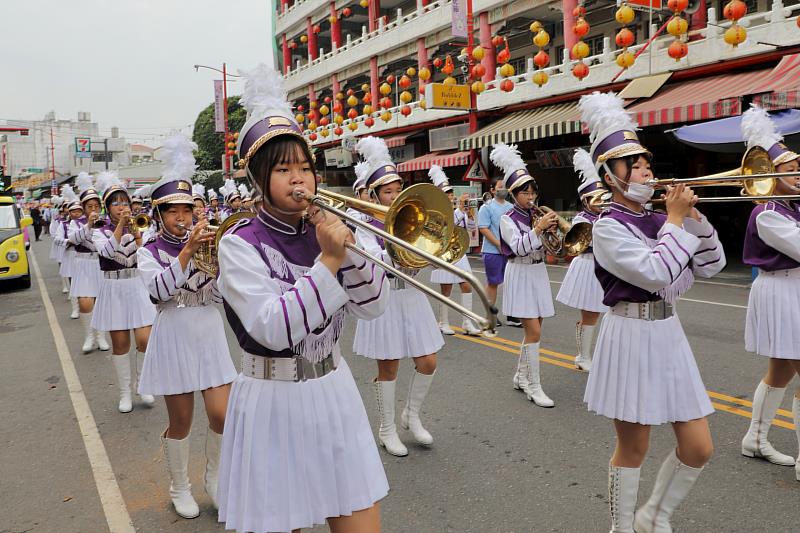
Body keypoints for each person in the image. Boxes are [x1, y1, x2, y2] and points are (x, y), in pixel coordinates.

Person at [215, 63, 390, 533]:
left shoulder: (331, 227)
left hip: (333, 390)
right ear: (258, 178)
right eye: (284, 169)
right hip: (271, 399)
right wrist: (329, 261)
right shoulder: (239, 242)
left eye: (305, 168)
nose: (300, 180)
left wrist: (348, 249)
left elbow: (373, 306)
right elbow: (273, 329)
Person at [579, 92, 726, 533]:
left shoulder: (662, 220)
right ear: (611, 175)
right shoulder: (606, 226)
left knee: (699, 447)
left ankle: (654, 515)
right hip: (630, 335)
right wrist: (676, 222)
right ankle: (622, 527)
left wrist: (694, 219)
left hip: (668, 334)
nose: (645, 170)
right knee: (634, 447)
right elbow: (656, 272)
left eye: (646, 163)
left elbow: (711, 266)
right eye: (633, 164)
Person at [136, 134, 237, 519]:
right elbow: (158, 294)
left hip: (208, 331)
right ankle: (180, 486)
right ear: (159, 214)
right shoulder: (150, 252)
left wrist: (222, 266)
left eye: (186, 210)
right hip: (174, 332)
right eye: (173, 212)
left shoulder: (207, 243)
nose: (182, 218)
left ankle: (215, 477)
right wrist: (188, 253)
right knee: (180, 421)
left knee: (223, 414)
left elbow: (219, 298)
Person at [352, 135, 444, 458]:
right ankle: (387, 427)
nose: (393, 196)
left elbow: (423, 260)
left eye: (396, 190)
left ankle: (412, 414)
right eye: (387, 192)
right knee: (388, 366)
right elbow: (374, 263)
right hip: (385, 298)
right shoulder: (363, 226)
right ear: (375, 194)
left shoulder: (411, 219)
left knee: (428, 361)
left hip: (413, 296)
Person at [738, 104, 800, 478]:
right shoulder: (767, 212)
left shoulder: (793, 207)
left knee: (779, 371)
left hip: (794, 290)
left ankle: (755, 439)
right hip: (781, 290)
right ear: (770, 176)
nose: (799, 175)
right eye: (791, 170)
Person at [491, 143, 557, 407]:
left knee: (536, 328)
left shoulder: (536, 215)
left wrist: (552, 231)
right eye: (524, 192)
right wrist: (539, 229)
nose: (530, 196)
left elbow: (553, 249)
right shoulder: (507, 218)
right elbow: (518, 247)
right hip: (520, 270)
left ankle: (520, 375)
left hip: (538, 271)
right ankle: (533, 385)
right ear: (513, 194)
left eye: (532, 191)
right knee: (534, 332)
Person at [93, 171, 157, 413]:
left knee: (144, 339)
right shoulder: (99, 230)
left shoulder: (142, 226)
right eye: (116, 203)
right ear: (108, 208)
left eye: (124, 202)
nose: (121, 207)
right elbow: (108, 253)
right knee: (120, 345)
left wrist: (138, 233)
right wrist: (120, 227)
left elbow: (147, 254)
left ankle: (143, 384)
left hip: (136, 285)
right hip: (113, 288)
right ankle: (124, 393)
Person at [555, 149, 609, 371]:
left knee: (599, 313)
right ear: (585, 200)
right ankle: (583, 356)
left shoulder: (606, 216)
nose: (601, 202)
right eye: (595, 199)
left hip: (604, 268)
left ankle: (588, 354)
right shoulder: (581, 218)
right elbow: (584, 243)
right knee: (590, 314)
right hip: (588, 266)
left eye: (603, 198)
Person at [428, 164, 481, 336]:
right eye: (447, 194)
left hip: (460, 252)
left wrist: (471, 214)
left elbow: (470, 228)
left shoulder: (458, 210)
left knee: (467, 285)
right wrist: (459, 210)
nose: (450, 196)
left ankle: (467, 322)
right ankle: (443, 322)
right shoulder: (435, 213)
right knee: (446, 288)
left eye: (451, 193)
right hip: (445, 253)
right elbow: (446, 229)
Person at [68, 173, 110, 353]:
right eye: (89, 206)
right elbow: (73, 239)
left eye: (96, 206)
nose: (93, 209)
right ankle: (89, 336)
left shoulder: (107, 222)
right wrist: (88, 226)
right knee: (85, 303)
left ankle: (101, 336)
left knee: (101, 302)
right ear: (84, 208)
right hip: (83, 264)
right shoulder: (76, 223)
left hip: (100, 265)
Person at [477, 178, 520, 327]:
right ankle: (490, 314)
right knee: (493, 283)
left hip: (509, 251)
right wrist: (499, 244)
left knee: (511, 283)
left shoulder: (511, 207)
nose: (504, 189)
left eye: (505, 187)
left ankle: (512, 315)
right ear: (492, 190)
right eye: (500, 187)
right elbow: (483, 228)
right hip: (492, 252)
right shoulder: (486, 207)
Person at [58, 187, 82, 318]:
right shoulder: (64, 224)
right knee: (73, 283)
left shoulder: (86, 223)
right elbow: (57, 238)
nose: (76, 213)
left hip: (83, 256)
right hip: (70, 254)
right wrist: (68, 241)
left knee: (84, 284)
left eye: (79, 211)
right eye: (73, 211)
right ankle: (75, 308)